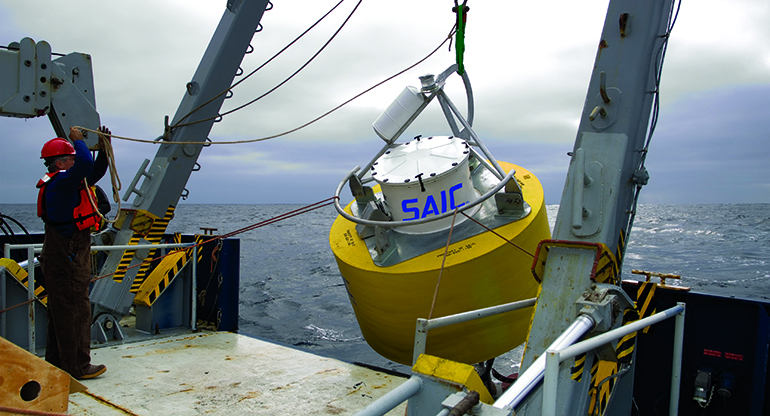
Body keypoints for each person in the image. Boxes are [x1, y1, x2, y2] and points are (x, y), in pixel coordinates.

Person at [36, 126, 111, 380]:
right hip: (66, 253)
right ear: (60, 162)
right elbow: (84, 163)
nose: (75, 160)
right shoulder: (64, 181)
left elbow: (94, 170)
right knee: (76, 308)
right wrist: (79, 141)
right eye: (70, 157)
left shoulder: (66, 183)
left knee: (60, 309)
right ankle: (78, 365)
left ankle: (57, 361)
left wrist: (104, 148)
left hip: (61, 252)